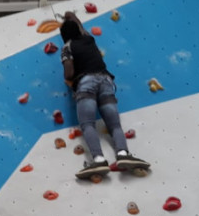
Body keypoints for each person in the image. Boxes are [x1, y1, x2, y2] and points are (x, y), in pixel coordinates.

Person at [59, 11, 149, 178]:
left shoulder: (67, 47)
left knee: (87, 124)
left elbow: (69, 74)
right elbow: (79, 26)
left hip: (86, 83)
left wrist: (66, 65)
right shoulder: (89, 39)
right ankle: (123, 154)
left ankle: (99, 159)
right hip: (106, 81)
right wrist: (70, 16)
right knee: (114, 124)